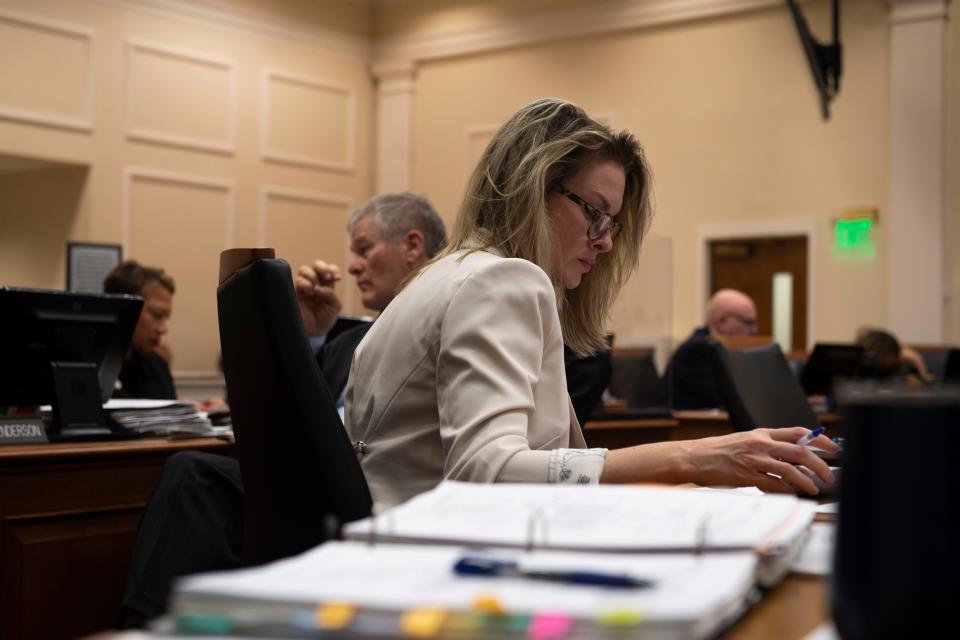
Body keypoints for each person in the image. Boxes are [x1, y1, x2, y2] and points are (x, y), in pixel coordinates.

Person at [345, 98, 835, 510]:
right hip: (444, 567)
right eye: (594, 214)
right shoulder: (502, 279)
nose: (604, 243)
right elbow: (485, 472)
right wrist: (691, 456)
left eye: (612, 224)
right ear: (533, 189)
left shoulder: (436, 277)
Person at [117, 193, 449, 626]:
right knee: (192, 477)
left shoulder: (443, 325)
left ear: (412, 246)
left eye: (363, 249)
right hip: (306, 489)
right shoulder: (344, 342)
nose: (351, 266)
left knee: (196, 476)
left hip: (381, 500)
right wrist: (307, 335)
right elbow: (270, 421)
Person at [660, 288, 758, 409]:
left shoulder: (714, 345)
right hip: (693, 424)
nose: (754, 330)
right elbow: (725, 397)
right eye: (748, 322)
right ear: (723, 321)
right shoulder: (697, 350)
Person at [104, 260, 177, 399]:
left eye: (165, 317)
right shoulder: (88, 370)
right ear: (124, 309)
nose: (164, 329)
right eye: (157, 315)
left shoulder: (158, 366)